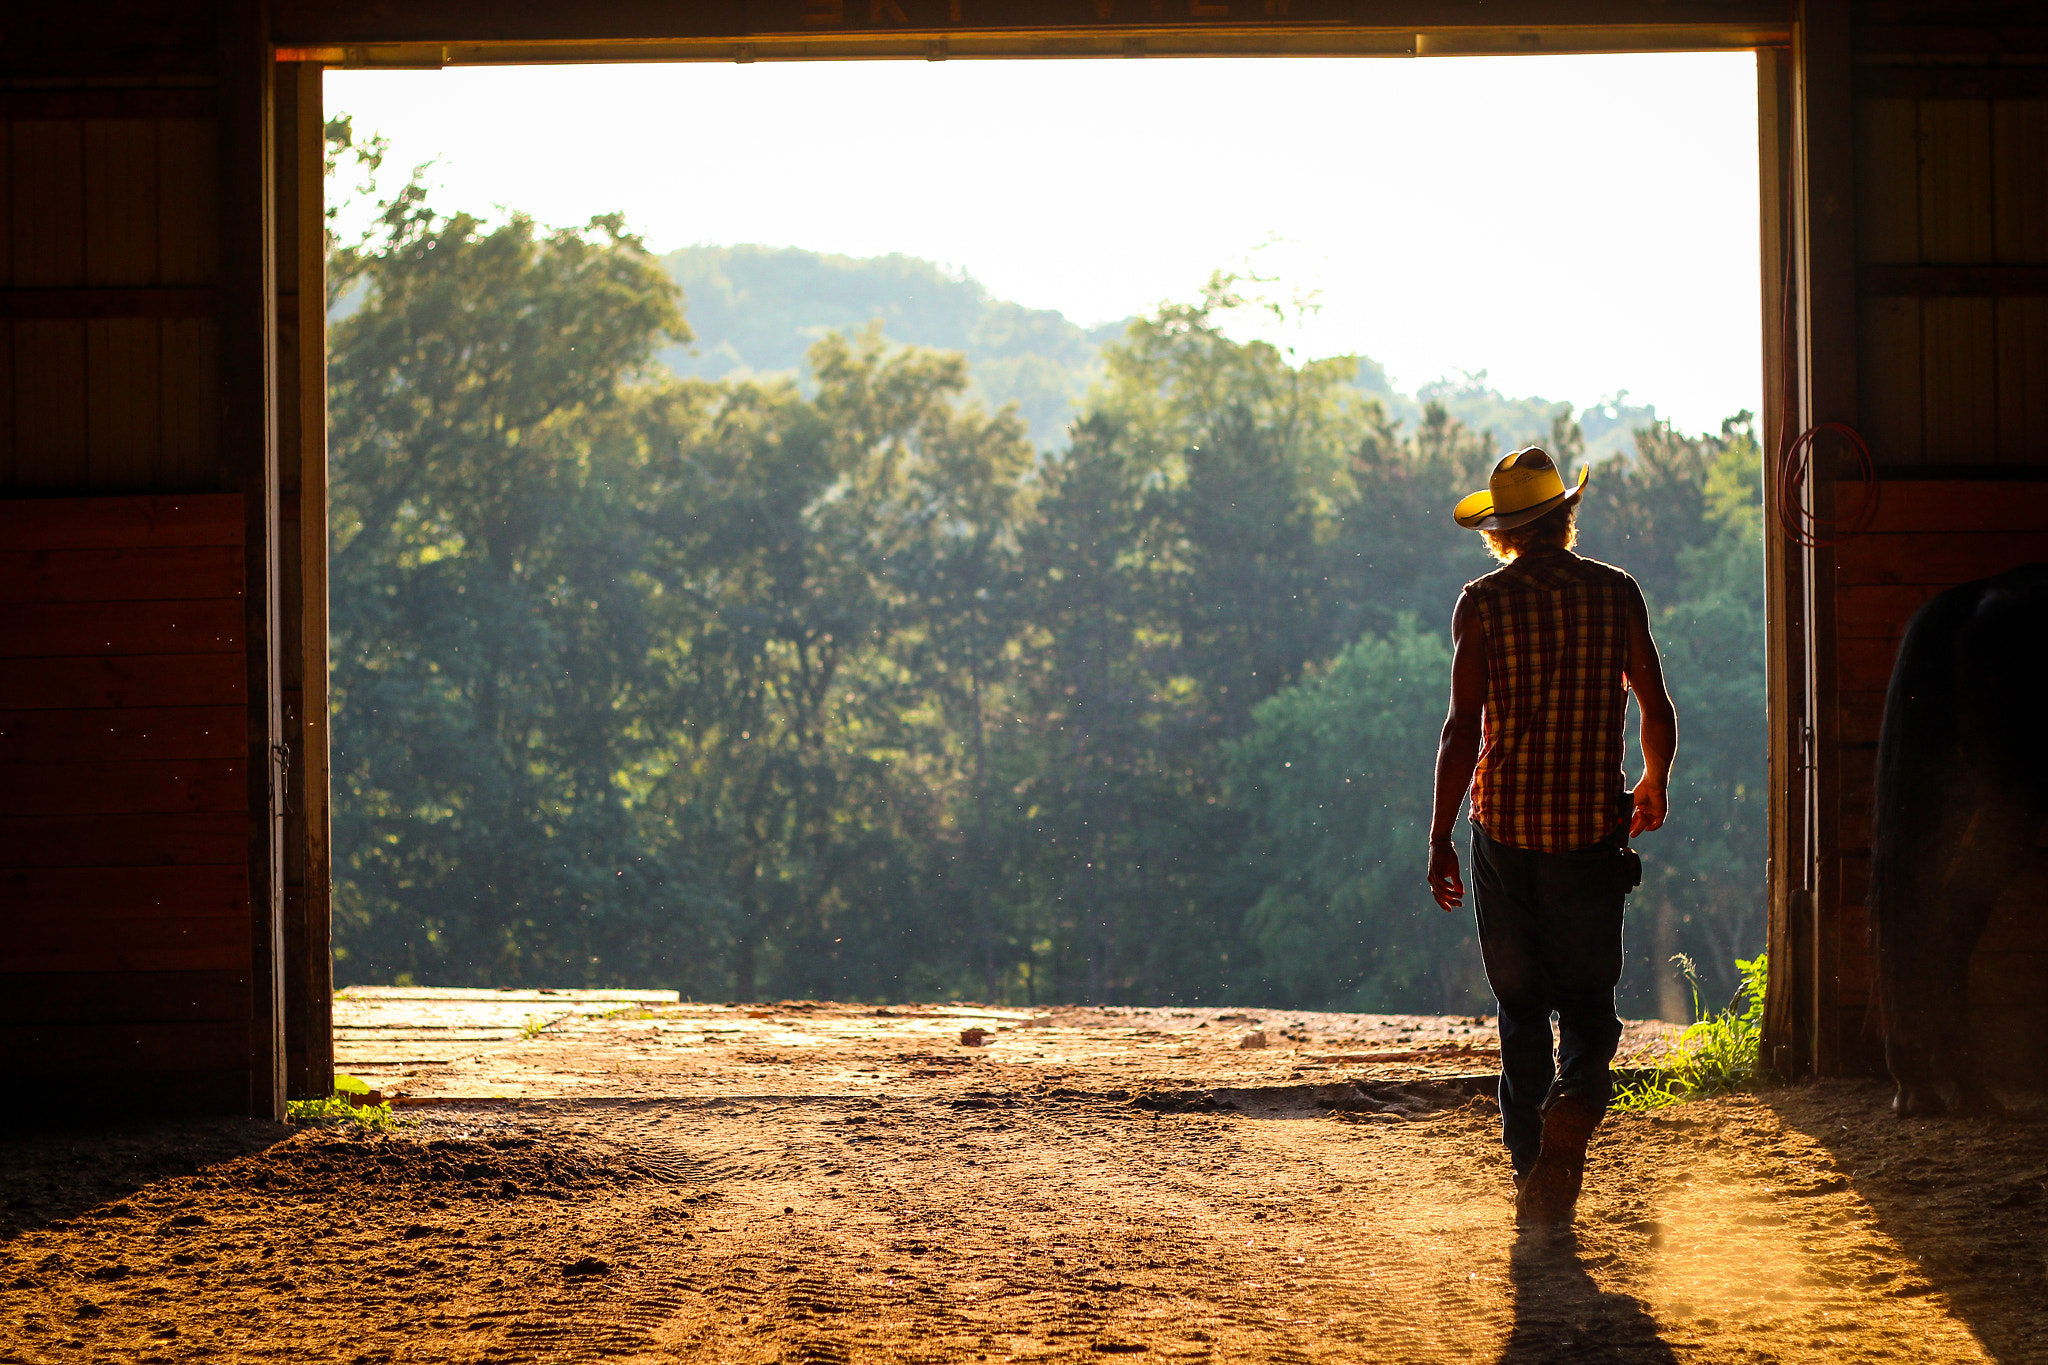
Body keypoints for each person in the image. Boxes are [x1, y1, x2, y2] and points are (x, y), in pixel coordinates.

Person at [1424, 446, 1678, 1227]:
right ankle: (1574, 1105)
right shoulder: (1615, 591)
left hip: (1504, 833)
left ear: (1502, 529)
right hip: (1588, 837)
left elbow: (1462, 727)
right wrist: (1654, 778)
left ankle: (1532, 1170)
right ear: (1564, 516)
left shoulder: (1481, 604)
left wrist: (1439, 834)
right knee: (1591, 1012)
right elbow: (1656, 705)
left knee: (1522, 1008)